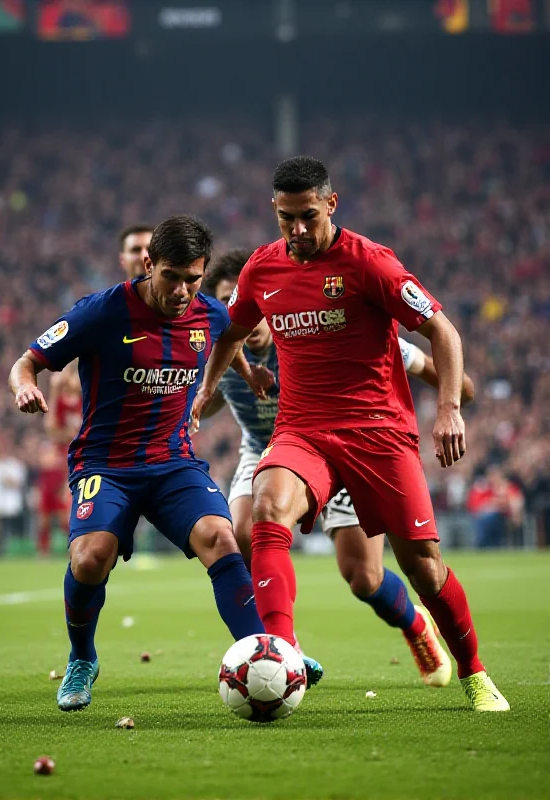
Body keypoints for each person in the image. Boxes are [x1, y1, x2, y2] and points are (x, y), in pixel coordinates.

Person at [192, 157, 509, 712]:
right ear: (274, 209)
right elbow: (231, 332)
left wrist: (450, 408)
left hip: (378, 433)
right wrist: (206, 388)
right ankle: (281, 651)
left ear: (331, 205)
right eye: (286, 218)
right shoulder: (261, 271)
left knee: (421, 570)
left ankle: (475, 672)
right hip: (303, 429)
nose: (297, 230)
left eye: (308, 216)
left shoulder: (371, 264)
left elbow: (442, 330)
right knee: (266, 512)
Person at [8, 215, 267, 712]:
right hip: (105, 465)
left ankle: (263, 652)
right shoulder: (101, 312)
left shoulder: (208, 312)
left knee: (221, 536)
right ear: (149, 264)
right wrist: (25, 385)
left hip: (172, 462)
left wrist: (237, 373)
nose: (182, 290)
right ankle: (82, 657)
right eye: (172, 277)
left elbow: (229, 334)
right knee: (88, 559)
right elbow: (27, 361)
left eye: (193, 278)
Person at [203, 249, 475, 687]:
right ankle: (284, 648)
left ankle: (415, 626)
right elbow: (201, 398)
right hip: (268, 449)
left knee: (363, 577)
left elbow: (419, 359)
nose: (250, 324)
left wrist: (456, 394)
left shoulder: (313, 330)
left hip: (345, 443)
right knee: (245, 527)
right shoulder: (226, 356)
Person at [37, 362, 83, 555]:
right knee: (47, 512)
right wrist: (55, 391)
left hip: (79, 456)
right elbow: (52, 429)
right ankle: (44, 551)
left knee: (69, 507)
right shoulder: (61, 402)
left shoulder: (85, 400)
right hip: (63, 457)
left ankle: (74, 546)